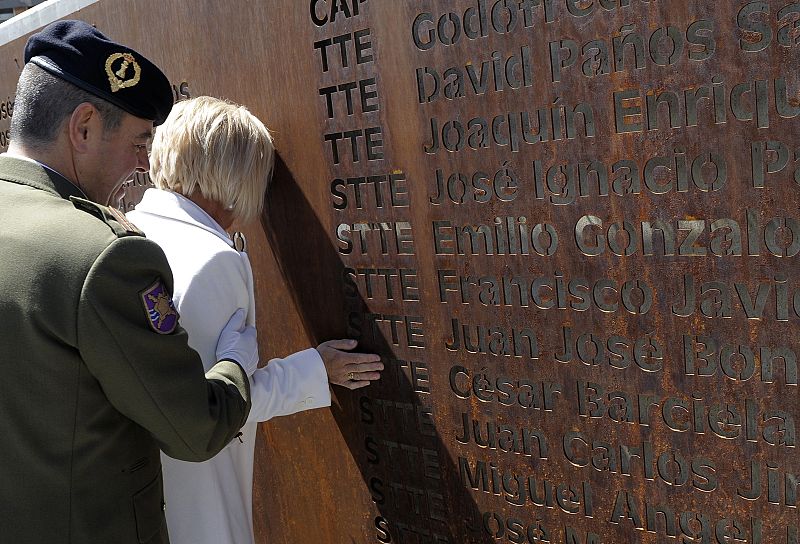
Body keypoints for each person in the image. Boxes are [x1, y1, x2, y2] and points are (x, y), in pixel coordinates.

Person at [0, 21, 260, 544]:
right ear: (84, 127)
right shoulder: (106, 257)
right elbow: (196, 428)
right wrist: (237, 362)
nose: (144, 165)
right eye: (140, 142)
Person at [126, 96, 384, 544]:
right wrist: (315, 370)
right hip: (195, 499)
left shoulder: (128, 229)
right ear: (236, 172)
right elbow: (211, 407)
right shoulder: (212, 260)